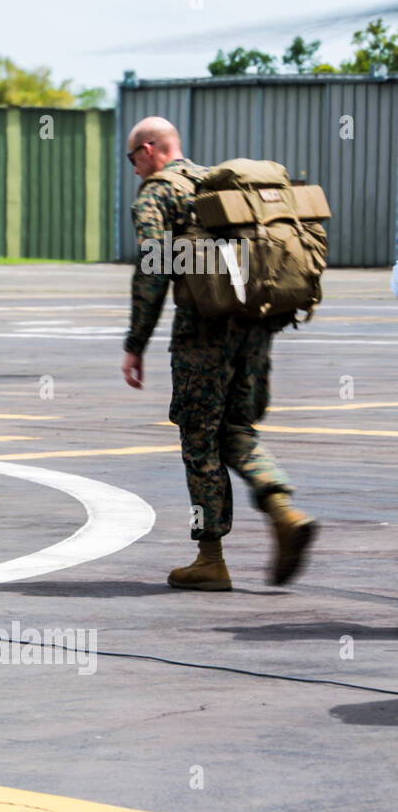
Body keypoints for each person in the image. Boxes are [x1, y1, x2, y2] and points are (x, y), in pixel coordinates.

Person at [120, 116, 316, 589]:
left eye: (132, 159)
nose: (133, 169)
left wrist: (135, 344)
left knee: (199, 441)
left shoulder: (158, 192)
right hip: (255, 327)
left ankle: (211, 559)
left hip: (203, 336)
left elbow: (153, 267)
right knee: (236, 428)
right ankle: (282, 508)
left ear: (149, 150)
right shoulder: (215, 186)